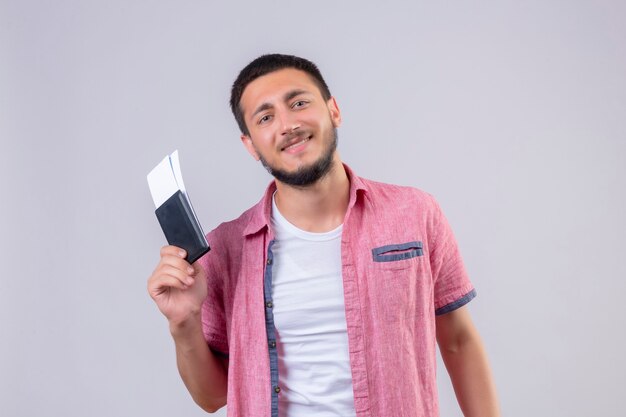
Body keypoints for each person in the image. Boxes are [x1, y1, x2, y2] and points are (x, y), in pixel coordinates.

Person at [147, 54, 500, 417]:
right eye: (266, 117)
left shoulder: (414, 213)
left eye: (299, 103)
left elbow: (458, 342)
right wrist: (183, 323)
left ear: (334, 110)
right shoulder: (225, 249)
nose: (287, 125)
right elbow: (211, 397)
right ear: (250, 144)